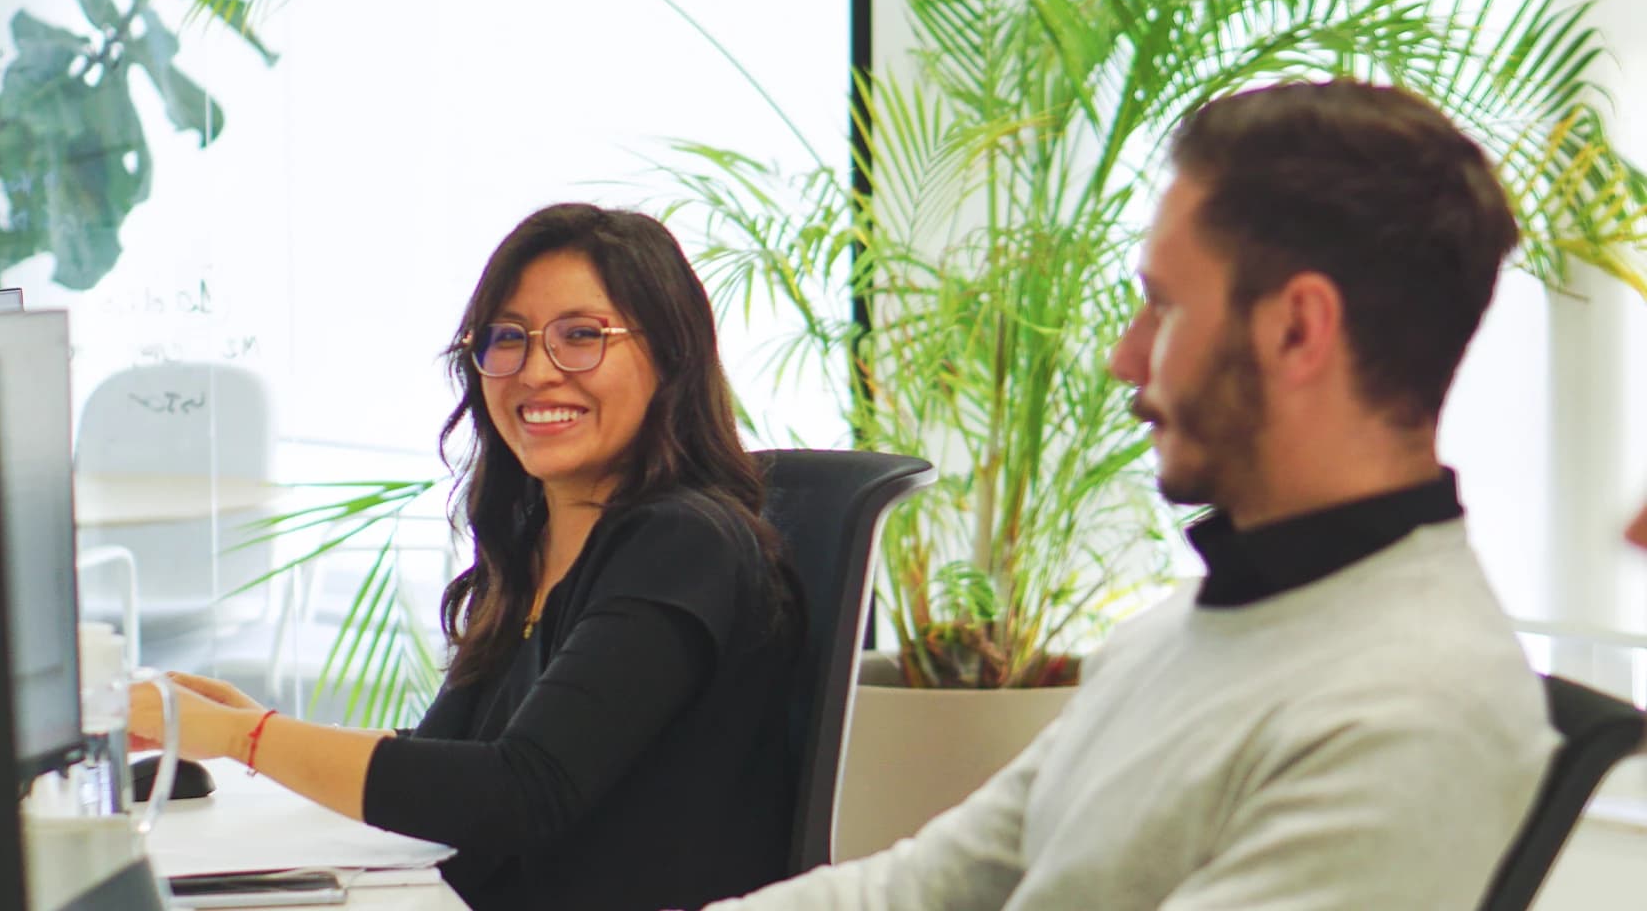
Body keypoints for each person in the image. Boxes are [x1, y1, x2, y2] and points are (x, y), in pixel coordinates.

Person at [709, 79, 1559, 909]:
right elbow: (931, 885)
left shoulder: (1410, 716)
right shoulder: (1178, 633)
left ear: (1297, 329)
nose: (1124, 355)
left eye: (1161, 306)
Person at [128, 202, 803, 911]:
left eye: (581, 336)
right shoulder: (535, 539)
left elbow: (518, 790)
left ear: (670, 355)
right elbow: (453, 748)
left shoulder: (684, 543)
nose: (537, 371)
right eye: (507, 338)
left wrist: (247, 738)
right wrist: (257, 724)